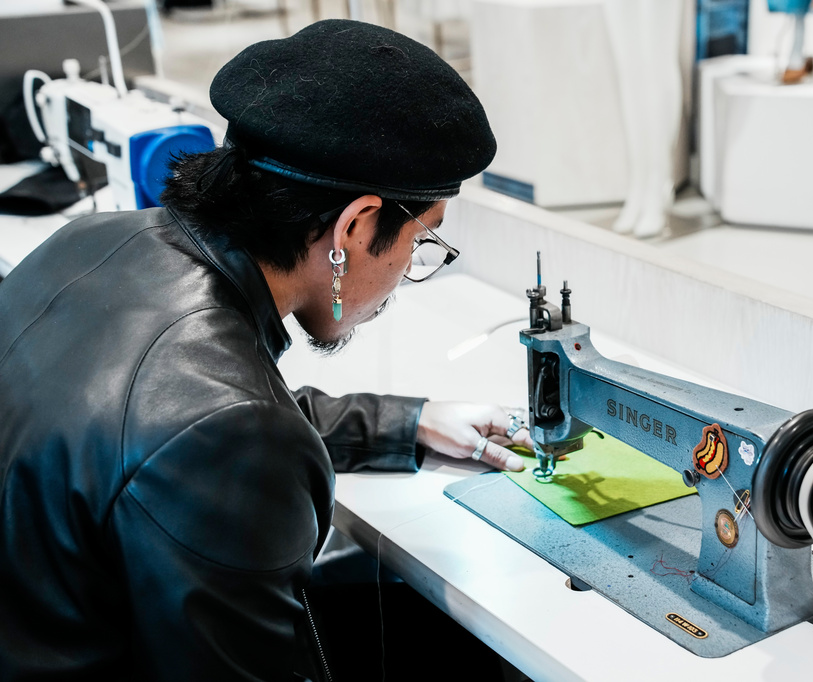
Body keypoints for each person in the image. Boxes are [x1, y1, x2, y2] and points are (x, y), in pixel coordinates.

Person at [0, 19, 530, 681]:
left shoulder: (91, 242)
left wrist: (408, 421)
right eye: (422, 242)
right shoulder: (225, 428)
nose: (407, 272)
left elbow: (160, 425)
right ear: (357, 224)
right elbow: (211, 428)